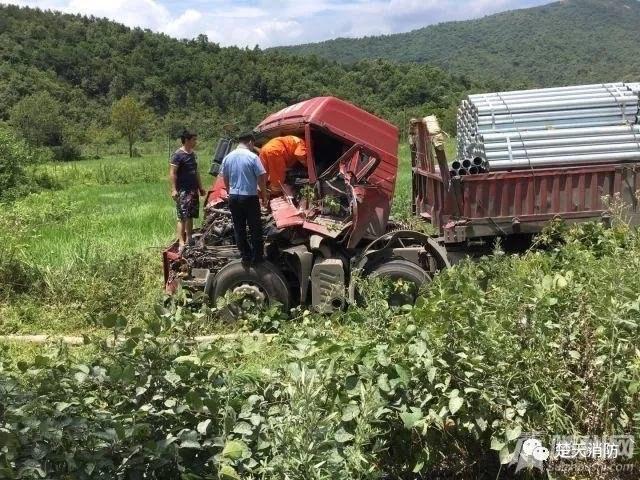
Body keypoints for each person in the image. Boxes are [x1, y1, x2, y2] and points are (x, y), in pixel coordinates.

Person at [220, 132, 269, 264]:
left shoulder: (228, 157)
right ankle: (257, 257)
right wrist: (264, 195)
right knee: (255, 227)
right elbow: (261, 178)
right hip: (249, 197)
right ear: (250, 142)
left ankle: (245, 256)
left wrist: (230, 192)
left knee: (239, 227)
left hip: (234, 197)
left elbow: (224, 177)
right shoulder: (253, 157)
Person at [169, 130, 206, 252]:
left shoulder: (193, 154)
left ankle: (189, 237)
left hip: (193, 190)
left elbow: (196, 172)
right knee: (182, 216)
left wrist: (200, 187)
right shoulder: (178, 155)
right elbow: (173, 173)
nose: (196, 142)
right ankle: (181, 242)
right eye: (194, 139)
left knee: (190, 216)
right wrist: (174, 190)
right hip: (183, 190)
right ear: (186, 140)